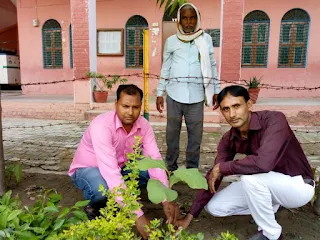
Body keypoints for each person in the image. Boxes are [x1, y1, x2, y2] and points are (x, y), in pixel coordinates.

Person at [176, 85, 315, 240]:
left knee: (250, 179)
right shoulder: (228, 139)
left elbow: (263, 163)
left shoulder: (274, 120)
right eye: (226, 109)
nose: (232, 114)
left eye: (236, 106)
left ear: (249, 105)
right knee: (214, 207)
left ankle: (271, 234)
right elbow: (215, 174)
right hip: (266, 186)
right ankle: (270, 208)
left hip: (298, 186)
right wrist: (189, 216)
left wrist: (224, 167)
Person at [69, 84, 179, 239]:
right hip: (89, 169)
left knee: (147, 169)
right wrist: (138, 216)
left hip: (121, 167)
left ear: (141, 107)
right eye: (125, 106)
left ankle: (122, 199)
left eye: (135, 107)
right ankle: (96, 209)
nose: (130, 112)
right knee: (102, 191)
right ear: (116, 105)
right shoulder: (102, 126)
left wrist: (166, 198)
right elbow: (110, 172)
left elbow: (154, 160)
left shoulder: (144, 125)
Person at [156, 3, 220, 172]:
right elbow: (166, 67)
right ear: (180, 20)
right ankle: (171, 167)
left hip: (197, 96)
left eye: (192, 17)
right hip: (174, 95)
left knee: (195, 137)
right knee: (172, 135)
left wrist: (216, 90)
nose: (189, 22)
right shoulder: (171, 41)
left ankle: (192, 170)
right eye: (185, 18)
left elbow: (212, 65)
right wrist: (160, 92)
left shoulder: (205, 39)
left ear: (197, 19)